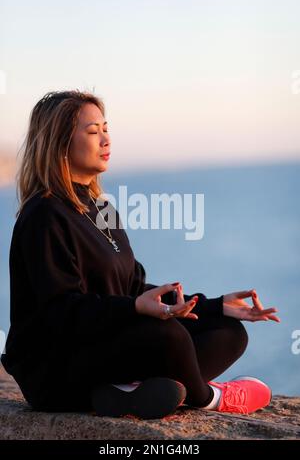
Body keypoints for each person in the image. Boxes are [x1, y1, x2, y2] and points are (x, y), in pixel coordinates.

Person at [1, 90, 280, 420]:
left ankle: (127, 392)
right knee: (167, 336)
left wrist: (213, 305)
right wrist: (135, 308)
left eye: (106, 128)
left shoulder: (102, 209)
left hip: (106, 353)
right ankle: (209, 397)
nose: (105, 139)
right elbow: (61, 312)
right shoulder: (44, 215)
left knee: (227, 331)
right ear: (59, 143)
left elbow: (135, 288)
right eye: (93, 132)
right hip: (57, 369)